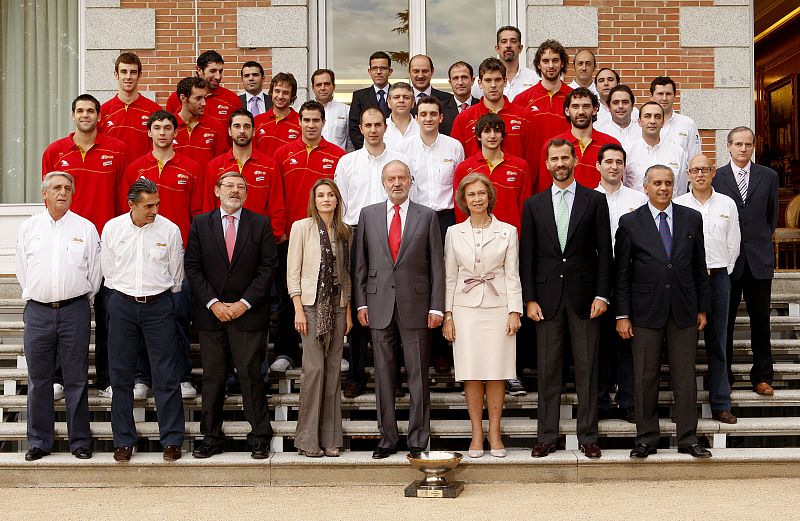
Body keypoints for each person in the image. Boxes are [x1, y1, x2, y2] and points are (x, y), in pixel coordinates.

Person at [521, 138, 612, 460]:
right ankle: (546, 436)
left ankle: (588, 436)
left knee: (588, 370)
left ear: (575, 160)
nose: (560, 163)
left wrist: (602, 294)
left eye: (565, 157)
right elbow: (527, 256)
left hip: (586, 299)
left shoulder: (595, 201)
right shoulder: (533, 205)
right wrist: (529, 299)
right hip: (545, 302)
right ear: (546, 164)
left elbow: (605, 253)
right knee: (548, 371)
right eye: (554, 159)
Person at [616, 165, 712, 459]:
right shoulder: (630, 222)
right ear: (645, 187)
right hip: (645, 312)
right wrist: (622, 315)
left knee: (685, 377)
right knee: (645, 377)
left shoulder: (691, 218)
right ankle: (646, 439)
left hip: (684, 310)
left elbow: (699, 268)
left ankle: (688, 438)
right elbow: (622, 274)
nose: (663, 188)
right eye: (657, 183)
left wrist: (703, 308)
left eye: (668, 183)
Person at [354, 160, 444, 458]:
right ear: (383, 182)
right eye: (391, 178)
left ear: (410, 182)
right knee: (383, 374)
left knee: (418, 374)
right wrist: (362, 301)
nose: (396, 183)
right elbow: (360, 265)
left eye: (402, 178)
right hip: (378, 305)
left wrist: (437, 307)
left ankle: (418, 437)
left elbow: (437, 266)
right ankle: (388, 437)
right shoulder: (368, 215)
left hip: (416, 306)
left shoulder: (427, 216)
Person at [185, 171, 278, 460]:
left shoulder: (260, 224)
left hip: (248, 315)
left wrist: (245, 303)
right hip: (211, 315)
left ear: (247, 194)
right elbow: (193, 266)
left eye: (241, 187)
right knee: (212, 377)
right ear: (217, 190)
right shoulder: (201, 224)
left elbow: (268, 268)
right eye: (229, 186)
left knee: (250, 375)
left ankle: (260, 436)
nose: (235, 191)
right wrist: (213, 303)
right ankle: (211, 437)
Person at [41, 93, 127, 399]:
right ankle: (58, 378)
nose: (86, 115)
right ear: (73, 115)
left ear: (99, 116)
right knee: (62, 315)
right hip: (66, 241)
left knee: (108, 315)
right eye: (80, 110)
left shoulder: (117, 150)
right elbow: (49, 197)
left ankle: (106, 379)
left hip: (105, 242)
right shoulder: (55, 151)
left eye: (91, 110)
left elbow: (121, 199)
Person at [16, 172, 101, 461]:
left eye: (67, 188)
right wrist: (40, 294)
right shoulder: (29, 228)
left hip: (74, 310)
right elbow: (22, 270)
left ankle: (80, 441)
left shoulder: (86, 228)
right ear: (45, 194)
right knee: (39, 380)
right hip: (38, 311)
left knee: (76, 378)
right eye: (56, 188)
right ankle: (39, 441)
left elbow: (95, 272)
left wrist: (78, 301)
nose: (62, 192)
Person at [120, 110, 203, 400]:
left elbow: (197, 214)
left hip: (176, 255)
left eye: (168, 127)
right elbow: (126, 213)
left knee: (178, 318)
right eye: (157, 127)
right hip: (142, 254)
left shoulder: (191, 167)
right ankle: (142, 377)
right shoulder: (135, 168)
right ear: (149, 133)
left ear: (175, 133)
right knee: (140, 319)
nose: (163, 132)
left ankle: (181, 376)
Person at [101, 178, 185, 462]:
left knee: (166, 375)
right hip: (122, 304)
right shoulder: (113, 228)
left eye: (157, 203)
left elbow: (176, 274)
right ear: (131, 205)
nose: (155, 210)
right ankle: (124, 441)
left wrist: (159, 296)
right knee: (120, 376)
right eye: (149, 205)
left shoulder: (170, 230)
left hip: (159, 305)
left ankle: (172, 440)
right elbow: (108, 272)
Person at [443, 173, 522, 458]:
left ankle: (495, 433)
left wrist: (515, 311)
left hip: (499, 307)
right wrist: (448, 315)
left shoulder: (508, 231)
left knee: (498, 373)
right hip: (465, 310)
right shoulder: (453, 232)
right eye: (471, 195)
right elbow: (450, 276)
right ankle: (476, 432)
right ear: (463, 200)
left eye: (481, 193)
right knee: (472, 373)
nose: (477, 198)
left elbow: (512, 274)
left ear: (489, 197)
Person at [335, 107, 408, 397]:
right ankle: (356, 375)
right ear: (361, 129)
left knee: (394, 302)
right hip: (355, 233)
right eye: (368, 125)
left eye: (379, 124)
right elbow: (340, 205)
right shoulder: (348, 162)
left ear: (385, 127)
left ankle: (392, 377)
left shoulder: (399, 161)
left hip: (392, 231)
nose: (374, 129)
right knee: (357, 299)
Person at [272, 100, 347, 373]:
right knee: (287, 295)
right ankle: (286, 352)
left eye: (316, 120)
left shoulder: (338, 155)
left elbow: (341, 196)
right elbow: (277, 193)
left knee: (330, 291)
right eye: (306, 120)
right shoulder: (282, 154)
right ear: (299, 122)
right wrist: (279, 229)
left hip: (326, 235)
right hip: (293, 235)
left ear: (324, 123)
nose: (311, 125)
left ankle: (335, 345)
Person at [399, 95, 465, 374]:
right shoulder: (404, 148)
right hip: (414, 218)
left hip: (445, 219)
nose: (428, 118)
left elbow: (459, 187)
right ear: (416, 117)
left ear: (441, 118)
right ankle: (416, 349)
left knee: (445, 278)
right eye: (423, 113)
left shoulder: (454, 147)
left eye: (433, 114)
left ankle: (441, 352)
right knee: (418, 278)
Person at [712, 126, 779, 396]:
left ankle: (762, 376)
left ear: (753, 147)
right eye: (738, 143)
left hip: (758, 260)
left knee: (760, 322)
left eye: (748, 144)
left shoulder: (769, 176)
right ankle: (724, 377)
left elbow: (771, 217)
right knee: (724, 322)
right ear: (728, 146)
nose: (743, 148)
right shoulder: (718, 177)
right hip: (728, 261)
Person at [288, 179, 353, 457]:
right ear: (314, 201)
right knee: (314, 371)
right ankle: (307, 440)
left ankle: (330, 439)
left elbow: (346, 275)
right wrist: (298, 308)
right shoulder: (301, 228)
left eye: (331, 195)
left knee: (333, 371)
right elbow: (293, 270)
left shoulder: (344, 231)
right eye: (321, 195)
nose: (326, 199)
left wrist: (347, 310)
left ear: (337, 200)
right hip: (312, 307)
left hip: (337, 307)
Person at [675, 154, 740, 424]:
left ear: (713, 172)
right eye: (695, 170)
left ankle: (721, 403)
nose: (700, 174)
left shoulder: (727, 203)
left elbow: (734, 242)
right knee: (684, 347)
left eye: (705, 169)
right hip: (687, 283)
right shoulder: (678, 204)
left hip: (718, 279)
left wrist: (723, 270)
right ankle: (683, 406)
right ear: (688, 174)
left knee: (719, 342)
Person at [594, 144, 647, 422]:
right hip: (598, 282)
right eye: (609, 161)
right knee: (599, 344)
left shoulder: (638, 200)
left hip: (631, 278)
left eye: (619, 162)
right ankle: (601, 401)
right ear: (598, 166)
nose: (614, 166)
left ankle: (628, 401)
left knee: (628, 343)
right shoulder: (588, 199)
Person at [205, 109, 286, 243]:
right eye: (237, 126)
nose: (242, 131)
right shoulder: (214, 166)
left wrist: (273, 236)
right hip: (222, 239)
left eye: (247, 126)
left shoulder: (269, 165)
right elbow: (208, 205)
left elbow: (277, 205)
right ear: (229, 131)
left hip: (259, 239)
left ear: (254, 131)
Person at [451, 58, 536, 183]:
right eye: (488, 80)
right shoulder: (464, 119)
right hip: (476, 196)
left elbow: (532, 162)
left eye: (497, 80)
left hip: (512, 192)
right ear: (480, 83)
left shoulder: (524, 117)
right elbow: (457, 163)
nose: (493, 85)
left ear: (505, 81)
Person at [453, 113, 530, 231]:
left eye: (497, 131)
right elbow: (460, 209)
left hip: (510, 236)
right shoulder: (464, 168)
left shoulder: (520, 167)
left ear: (503, 136)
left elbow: (524, 208)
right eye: (487, 131)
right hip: (475, 237)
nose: (492, 136)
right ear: (479, 136)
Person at [512, 39, 573, 189]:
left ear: (562, 63)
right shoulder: (522, 100)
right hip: (533, 175)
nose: (551, 65)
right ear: (539, 65)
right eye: (545, 61)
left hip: (565, 170)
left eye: (555, 60)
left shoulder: (574, 98)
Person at [536, 87, 620, 192]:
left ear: (594, 110)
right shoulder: (552, 146)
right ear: (567, 111)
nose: (581, 112)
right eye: (575, 106)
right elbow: (545, 189)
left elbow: (618, 186)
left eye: (586, 106)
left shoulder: (611, 144)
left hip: (603, 206)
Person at [99, 52, 162, 161]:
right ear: (116, 74)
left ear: (139, 75)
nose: (128, 77)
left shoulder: (154, 110)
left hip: (143, 175)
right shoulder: (103, 111)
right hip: (113, 175)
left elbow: (160, 148)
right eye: (124, 72)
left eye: (133, 72)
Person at [624, 102, 688, 197]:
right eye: (647, 116)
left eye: (657, 117)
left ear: (663, 122)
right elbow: (624, 187)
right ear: (639, 122)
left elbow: (681, 191)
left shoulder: (677, 152)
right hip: (637, 210)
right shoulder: (627, 152)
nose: (652, 121)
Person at [166, 50, 241, 126]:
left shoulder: (232, 100)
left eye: (220, 71)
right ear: (199, 70)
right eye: (213, 71)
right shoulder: (176, 98)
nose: (218, 77)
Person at [173, 76, 228, 172]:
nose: (204, 103)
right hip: (176, 185)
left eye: (204, 98)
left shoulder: (216, 127)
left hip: (206, 186)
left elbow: (222, 164)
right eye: (198, 98)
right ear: (183, 98)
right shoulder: (168, 126)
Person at [471, 26, 539, 102]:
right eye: (504, 41)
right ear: (497, 49)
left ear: (520, 48)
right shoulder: (480, 83)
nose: (508, 45)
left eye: (513, 41)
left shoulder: (534, 79)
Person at [348, 51, 393, 150]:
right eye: (374, 68)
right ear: (369, 71)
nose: (378, 72)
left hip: (396, 150)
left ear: (390, 71)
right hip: (368, 152)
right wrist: (368, 149)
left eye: (383, 68)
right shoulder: (359, 96)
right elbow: (354, 128)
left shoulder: (399, 95)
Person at [649, 76, 701, 161]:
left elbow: (695, 158)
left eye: (668, 94)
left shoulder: (687, 124)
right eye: (660, 94)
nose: (664, 98)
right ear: (651, 96)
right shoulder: (642, 125)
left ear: (674, 96)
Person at [407, 54, 458, 135]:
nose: (420, 75)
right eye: (416, 71)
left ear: (432, 71)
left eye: (425, 71)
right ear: (409, 72)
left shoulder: (448, 99)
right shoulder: (401, 102)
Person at [254, 72, 301, 157]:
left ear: (292, 96)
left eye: (285, 93)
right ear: (271, 92)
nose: (280, 96)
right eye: (277, 91)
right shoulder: (257, 121)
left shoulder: (301, 122)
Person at [312, 68, 351, 151]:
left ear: (334, 86)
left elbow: (350, 143)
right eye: (318, 85)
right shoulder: (302, 111)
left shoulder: (346, 111)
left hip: (339, 162)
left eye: (326, 84)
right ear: (312, 88)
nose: (323, 88)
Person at [595, 84, 640, 152]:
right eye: (616, 102)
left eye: (625, 102)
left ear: (632, 106)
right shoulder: (600, 133)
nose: (620, 106)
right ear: (609, 107)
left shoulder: (643, 132)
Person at [383, 82, 419, 150]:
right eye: (396, 97)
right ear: (389, 102)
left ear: (413, 102)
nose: (401, 100)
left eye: (406, 97)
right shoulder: (379, 128)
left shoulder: (421, 127)